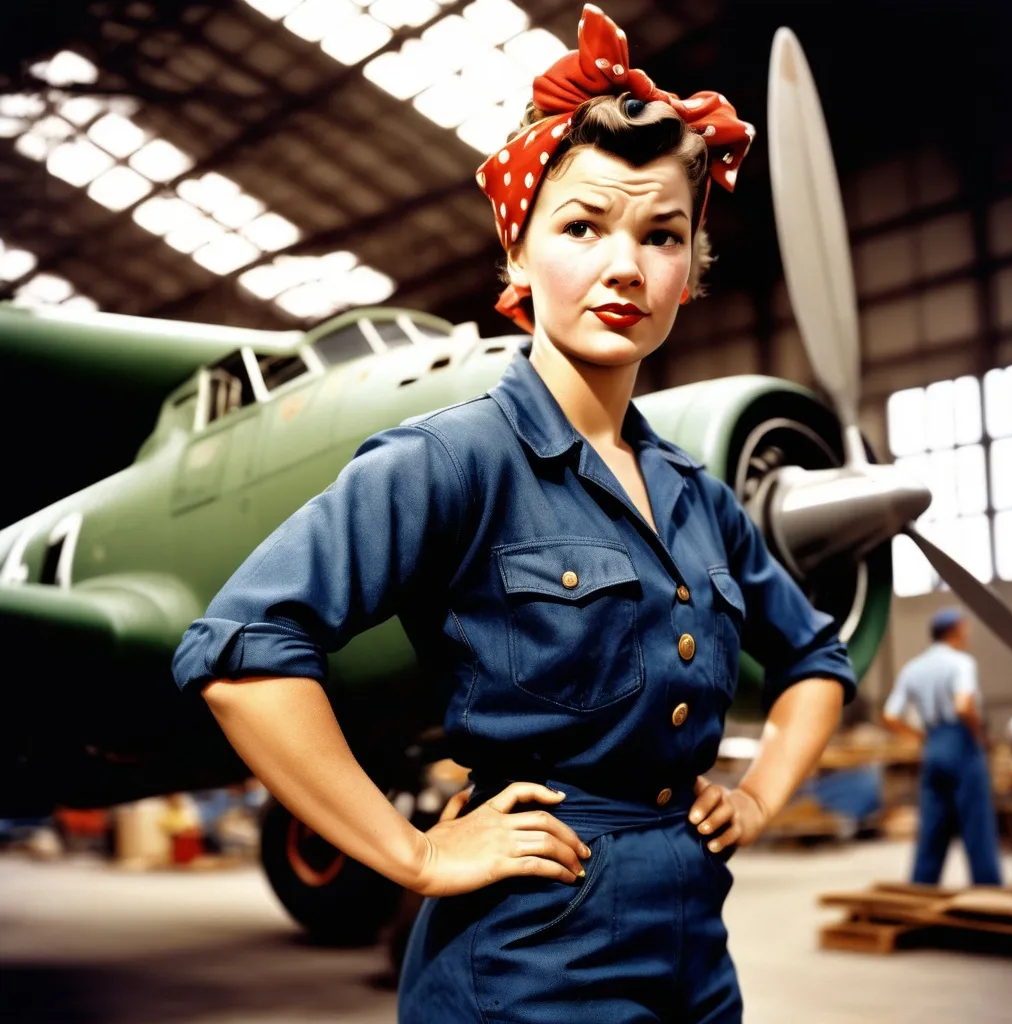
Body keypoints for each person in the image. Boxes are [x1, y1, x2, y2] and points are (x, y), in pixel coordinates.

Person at [171, 6, 856, 1020]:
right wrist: (412, 849)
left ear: (687, 278)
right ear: (518, 261)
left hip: (696, 957)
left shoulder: (698, 497)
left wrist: (758, 797)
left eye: (662, 235)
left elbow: (815, 662)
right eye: (581, 226)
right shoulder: (451, 461)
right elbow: (241, 651)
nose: (625, 266)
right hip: (528, 958)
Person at [882, 607, 1003, 886]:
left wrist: (922, 737)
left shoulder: (913, 667)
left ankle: (921, 889)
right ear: (957, 630)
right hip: (962, 744)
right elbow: (963, 705)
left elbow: (890, 715)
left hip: (934, 745)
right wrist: (977, 735)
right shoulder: (961, 663)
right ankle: (988, 891)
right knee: (977, 826)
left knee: (932, 828)